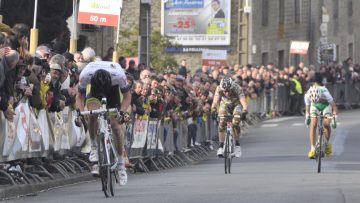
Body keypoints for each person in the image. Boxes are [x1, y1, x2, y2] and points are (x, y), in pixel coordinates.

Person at [75, 61, 131, 185]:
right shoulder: (86, 74)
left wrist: (122, 112)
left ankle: (121, 164)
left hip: (113, 90)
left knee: (116, 126)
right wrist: (79, 113)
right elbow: (79, 96)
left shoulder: (118, 75)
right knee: (92, 113)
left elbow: (127, 96)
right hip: (94, 90)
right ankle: (94, 146)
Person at [211, 77, 248, 158]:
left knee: (235, 122)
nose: (226, 93)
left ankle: (237, 146)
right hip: (225, 104)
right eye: (225, 91)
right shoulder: (219, 88)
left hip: (236, 104)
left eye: (228, 90)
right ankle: (220, 146)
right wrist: (213, 109)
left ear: (232, 87)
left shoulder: (237, 88)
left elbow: (243, 101)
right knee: (222, 121)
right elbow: (215, 101)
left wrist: (245, 110)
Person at [304, 84, 337, 159]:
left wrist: (334, 117)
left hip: (326, 105)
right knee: (314, 122)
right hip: (314, 106)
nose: (317, 100)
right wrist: (307, 117)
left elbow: (334, 107)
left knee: (326, 124)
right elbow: (307, 110)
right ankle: (312, 148)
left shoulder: (325, 93)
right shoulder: (307, 96)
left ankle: (327, 144)